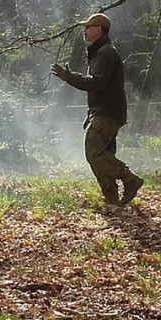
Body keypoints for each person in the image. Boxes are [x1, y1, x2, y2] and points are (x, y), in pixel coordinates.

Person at [51, 13, 144, 205]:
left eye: (88, 27)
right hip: (106, 112)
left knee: (93, 153)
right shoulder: (101, 52)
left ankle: (130, 179)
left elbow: (96, 83)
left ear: (98, 30)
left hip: (107, 113)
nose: (84, 31)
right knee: (103, 155)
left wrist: (69, 77)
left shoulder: (106, 53)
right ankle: (111, 199)